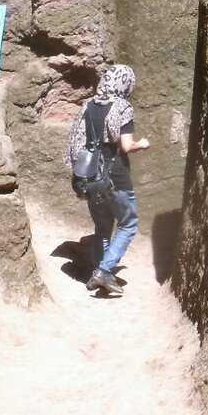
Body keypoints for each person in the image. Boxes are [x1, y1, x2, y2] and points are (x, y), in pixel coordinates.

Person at [64, 64, 150, 296]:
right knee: (128, 223)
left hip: (91, 177)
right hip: (115, 176)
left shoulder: (88, 105)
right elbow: (126, 145)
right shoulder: (123, 108)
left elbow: (76, 141)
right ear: (126, 84)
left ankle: (99, 271)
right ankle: (103, 270)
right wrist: (141, 144)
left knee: (102, 228)